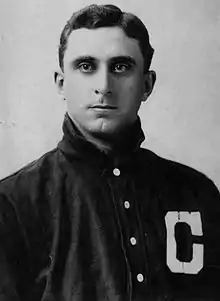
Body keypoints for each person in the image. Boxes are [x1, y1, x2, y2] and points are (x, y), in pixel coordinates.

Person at [0, 4, 220, 301]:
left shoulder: (197, 192)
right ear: (61, 83)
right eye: (86, 66)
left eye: (120, 67)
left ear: (147, 84)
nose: (103, 86)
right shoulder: (13, 202)